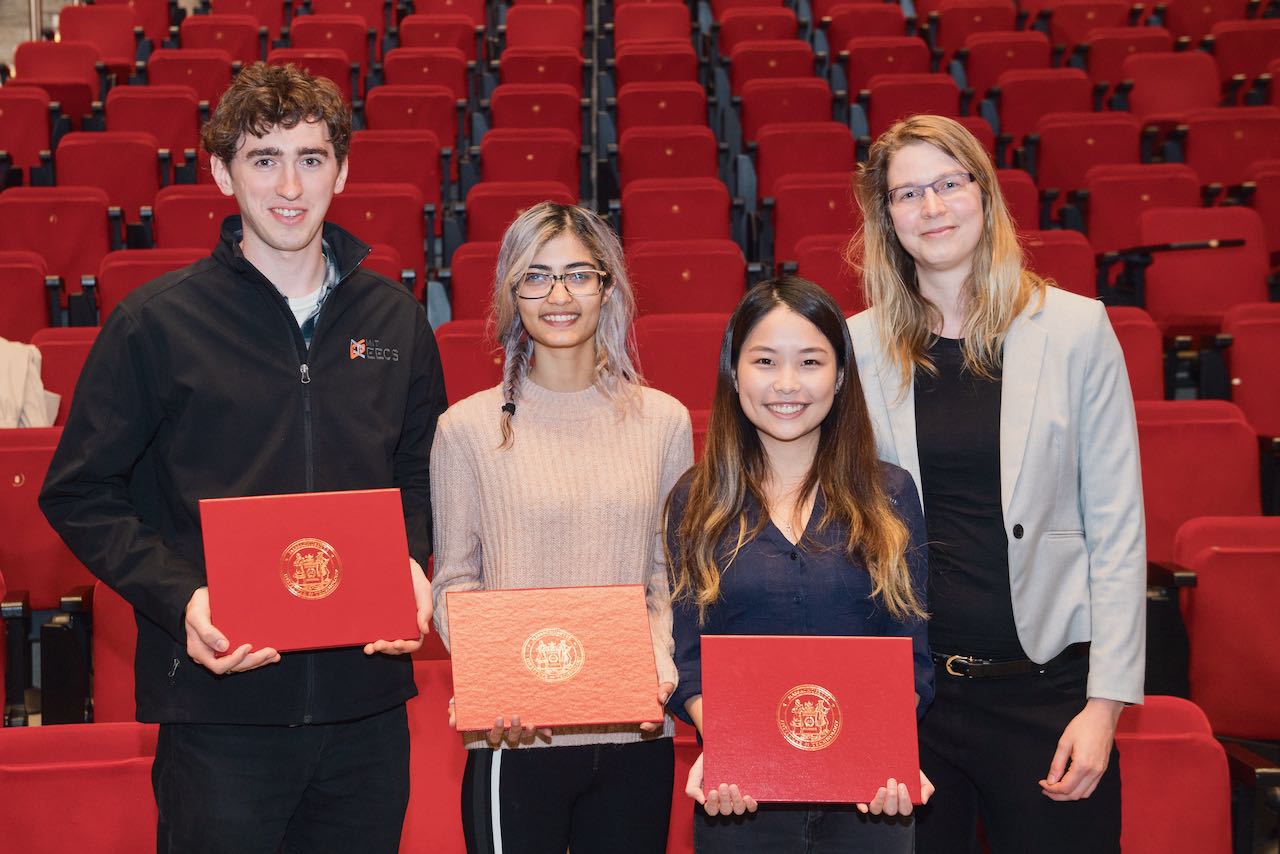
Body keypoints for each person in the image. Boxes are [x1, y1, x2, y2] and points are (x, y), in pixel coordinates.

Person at [38, 63, 444, 854]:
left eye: (312, 157)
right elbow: (80, 492)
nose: (290, 184)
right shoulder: (154, 325)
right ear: (223, 172)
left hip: (365, 712)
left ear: (343, 169)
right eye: (264, 159)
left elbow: (419, 468)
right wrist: (179, 596)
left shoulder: (395, 321)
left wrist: (411, 561)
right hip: (220, 711)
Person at [847, 114, 1147, 854]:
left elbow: (1116, 528)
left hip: (1046, 696)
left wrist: (1103, 708)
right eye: (908, 193)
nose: (932, 208)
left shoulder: (1077, 330)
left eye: (950, 184)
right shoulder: (855, 345)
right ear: (886, 217)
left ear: (984, 194)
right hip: (913, 700)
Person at [430, 202, 692, 854]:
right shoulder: (464, 429)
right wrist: (491, 675)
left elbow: (669, 576)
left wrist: (660, 661)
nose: (558, 295)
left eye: (578, 275)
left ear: (608, 287)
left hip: (636, 732)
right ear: (510, 293)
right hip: (515, 734)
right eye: (536, 277)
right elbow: (455, 584)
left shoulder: (664, 421)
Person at [666, 276, 935, 853]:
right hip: (739, 801)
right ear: (734, 373)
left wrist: (886, 751)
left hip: (871, 802)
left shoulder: (890, 494)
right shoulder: (695, 501)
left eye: (810, 361)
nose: (786, 383)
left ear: (839, 377)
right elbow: (687, 656)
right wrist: (731, 747)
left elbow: (910, 654)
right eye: (765, 361)